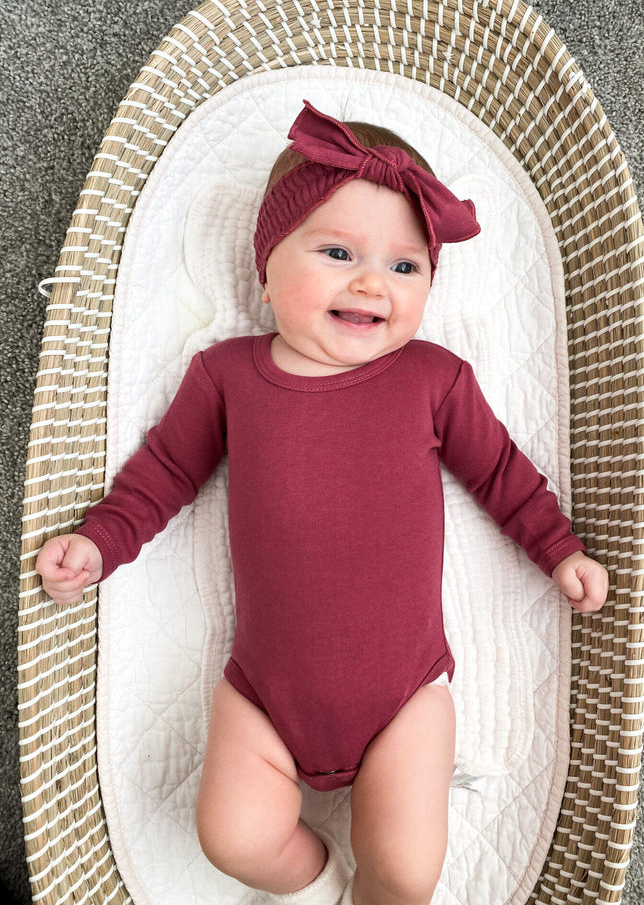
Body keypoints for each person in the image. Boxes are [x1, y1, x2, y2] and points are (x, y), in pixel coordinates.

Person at [36, 101, 609, 905]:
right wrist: (100, 544)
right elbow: (162, 474)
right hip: (263, 696)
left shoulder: (434, 380)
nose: (373, 282)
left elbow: (503, 475)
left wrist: (561, 549)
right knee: (231, 837)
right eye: (338, 252)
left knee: (408, 870)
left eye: (406, 268)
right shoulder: (227, 377)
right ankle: (316, 883)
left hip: (405, 695)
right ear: (266, 273)